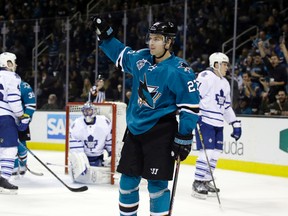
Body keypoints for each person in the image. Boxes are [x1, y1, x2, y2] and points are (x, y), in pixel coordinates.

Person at [89, 18, 200, 215]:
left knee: (156, 186)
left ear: (168, 42)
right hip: (134, 131)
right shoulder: (141, 59)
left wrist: (184, 135)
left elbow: (190, 107)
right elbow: (120, 54)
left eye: (157, 39)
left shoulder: (180, 70)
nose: (151, 43)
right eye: (150, 38)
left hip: (161, 132)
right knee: (126, 184)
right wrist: (106, 36)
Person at [192, 52, 242, 199]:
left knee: (216, 153)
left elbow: (226, 107)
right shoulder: (205, 77)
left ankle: (206, 180)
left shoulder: (225, 83)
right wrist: (195, 115)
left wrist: (234, 123)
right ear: (215, 64)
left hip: (218, 123)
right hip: (205, 120)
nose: (227, 67)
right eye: (224, 64)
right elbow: (195, 96)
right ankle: (197, 182)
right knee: (206, 153)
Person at [0, 52, 29, 194]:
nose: (16, 65)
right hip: (5, 117)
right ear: (8, 63)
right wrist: (20, 116)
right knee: (10, 149)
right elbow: (13, 98)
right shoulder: (12, 77)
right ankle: (3, 179)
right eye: (14, 62)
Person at [68, 102, 112, 184]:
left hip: (99, 158)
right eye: (85, 111)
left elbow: (109, 140)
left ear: (94, 111)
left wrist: (111, 154)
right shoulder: (77, 124)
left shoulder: (104, 122)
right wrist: (80, 162)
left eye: (89, 111)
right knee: (81, 179)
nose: (87, 113)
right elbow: (75, 146)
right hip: (85, 157)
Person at [12, 81, 36, 176]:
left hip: (21, 119)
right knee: (9, 144)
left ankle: (23, 165)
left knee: (21, 142)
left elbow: (30, 104)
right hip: (7, 120)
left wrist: (26, 118)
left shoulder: (23, 85)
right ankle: (13, 166)